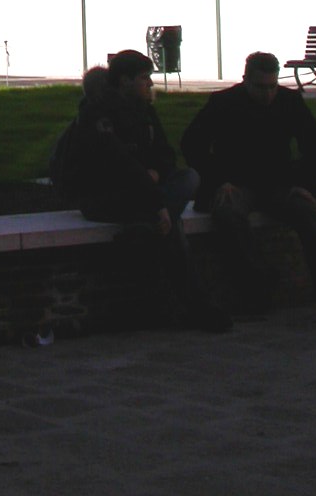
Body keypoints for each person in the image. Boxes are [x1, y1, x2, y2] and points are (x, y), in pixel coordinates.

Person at [55, 52, 230, 332]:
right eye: (144, 78)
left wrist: (157, 174)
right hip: (106, 196)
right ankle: (198, 306)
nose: (150, 84)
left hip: (142, 194)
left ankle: (144, 229)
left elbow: (165, 154)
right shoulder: (97, 114)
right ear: (124, 81)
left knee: (189, 178)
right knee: (173, 230)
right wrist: (157, 203)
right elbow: (119, 164)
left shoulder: (144, 110)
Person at [181, 50, 316, 319]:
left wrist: (305, 184)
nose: (267, 94)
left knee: (306, 211)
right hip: (237, 183)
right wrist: (219, 181)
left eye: (272, 87)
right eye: (260, 87)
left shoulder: (289, 102)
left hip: (278, 182)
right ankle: (256, 282)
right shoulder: (224, 103)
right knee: (228, 214)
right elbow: (192, 144)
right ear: (245, 80)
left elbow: (315, 146)